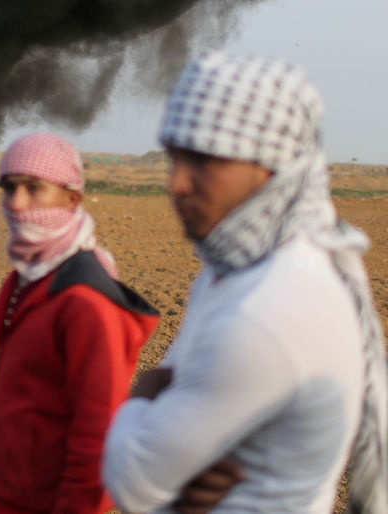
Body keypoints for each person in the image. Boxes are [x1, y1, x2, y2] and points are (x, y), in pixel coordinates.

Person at [102, 51, 388, 513]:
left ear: (273, 165)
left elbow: (130, 479)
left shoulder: (271, 307)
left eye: (203, 161)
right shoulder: (236, 270)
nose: (176, 183)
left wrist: (144, 394)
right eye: (175, 158)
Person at [0, 132, 161, 513]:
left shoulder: (86, 303)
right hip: (9, 493)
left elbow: (97, 437)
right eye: (9, 188)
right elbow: (3, 390)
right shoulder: (21, 283)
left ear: (72, 197)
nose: (18, 204)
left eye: (34, 188)